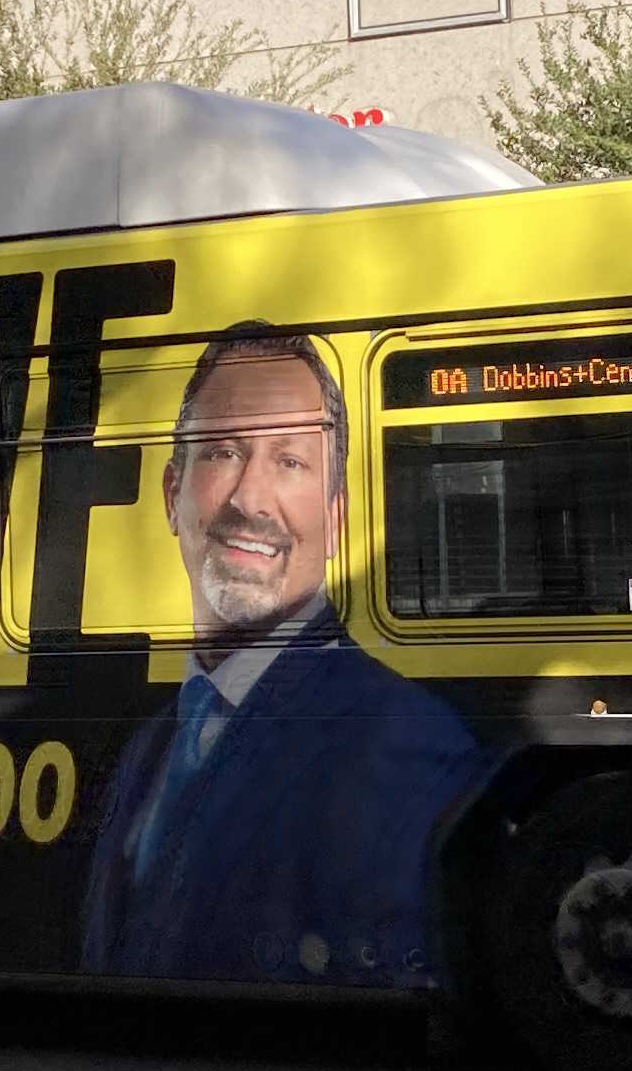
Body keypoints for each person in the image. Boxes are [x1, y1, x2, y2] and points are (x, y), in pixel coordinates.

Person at [76, 326, 488, 989]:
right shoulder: (149, 750)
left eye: (289, 462)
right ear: (171, 496)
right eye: (222, 452)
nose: (249, 499)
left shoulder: (406, 744)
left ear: (337, 519)